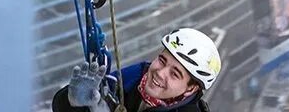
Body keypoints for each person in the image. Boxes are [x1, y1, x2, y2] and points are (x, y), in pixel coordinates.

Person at [52, 28, 221, 112]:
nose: (160, 73)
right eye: (162, 61)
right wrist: (72, 103)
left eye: (175, 74)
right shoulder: (135, 77)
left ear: (190, 88)